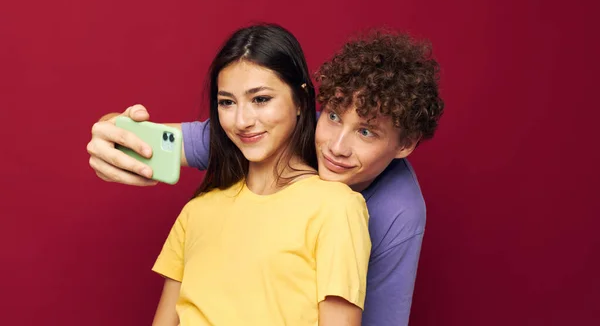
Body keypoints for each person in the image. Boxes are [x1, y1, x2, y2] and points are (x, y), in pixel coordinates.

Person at [87, 27, 444, 326]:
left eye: (366, 133)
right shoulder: (268, 136)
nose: (336, 147)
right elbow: (145, 141)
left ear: (405, 145)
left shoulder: (392, 210)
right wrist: (109, 130)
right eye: (333, 116)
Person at [122, 24, 371, 325]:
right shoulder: (197, 211)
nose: (241, 121)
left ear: (301, 102)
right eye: (227, 102)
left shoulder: (336, 206)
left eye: (261, 99)